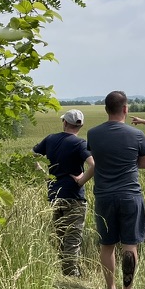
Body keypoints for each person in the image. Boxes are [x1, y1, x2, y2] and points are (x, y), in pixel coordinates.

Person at [79, 91, 145, 289]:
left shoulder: (93, 134)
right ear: (126, 109)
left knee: (107, 244)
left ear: (106, 109)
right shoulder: (137, 135)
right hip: (130, 195)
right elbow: (144, 164)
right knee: (130, 244)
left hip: (103, 195)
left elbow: (97, 161)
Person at [32, 109, 92, 276]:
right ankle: (71, 274)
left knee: (60, 235)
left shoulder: (50, 139)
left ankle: (64, 271)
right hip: (74, 196)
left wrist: (46, 176)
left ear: (64, 122)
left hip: (54, 195)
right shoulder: (80, 143)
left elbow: (32, 157)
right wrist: (81, 180)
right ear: (80, 126)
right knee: (72, 237)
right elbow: (94, 165)